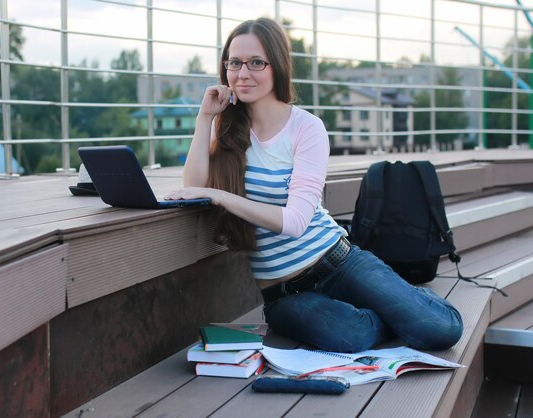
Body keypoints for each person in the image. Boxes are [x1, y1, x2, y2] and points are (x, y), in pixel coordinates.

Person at [164, 17, 463, 353]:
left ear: (277, 66)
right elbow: (194, 186)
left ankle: (410, 301)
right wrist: (205, 118)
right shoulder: (226, 127)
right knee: (354, 336)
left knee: (442, 329)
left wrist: (218, 195)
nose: (242, 72)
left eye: (256, 62)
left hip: (338, 261)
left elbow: (295, 222)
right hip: (285, 294)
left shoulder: (306, 128)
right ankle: (398, 311)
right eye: (234, 62)